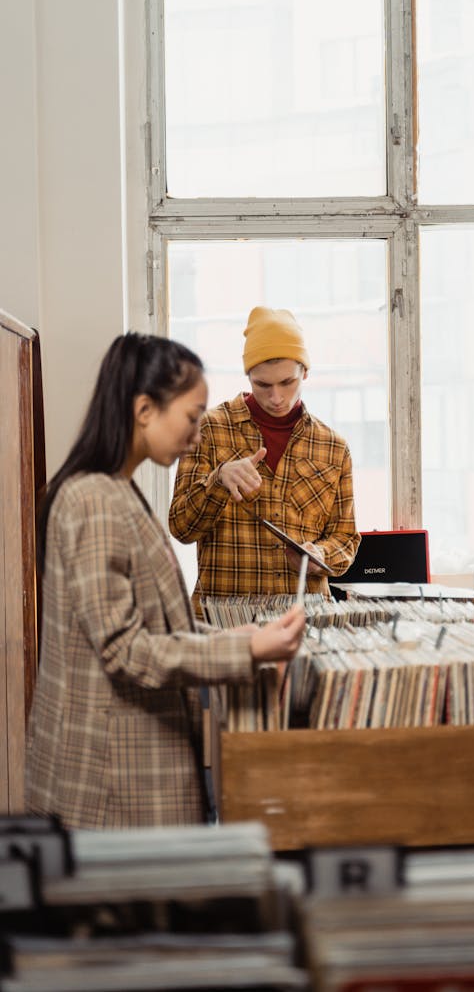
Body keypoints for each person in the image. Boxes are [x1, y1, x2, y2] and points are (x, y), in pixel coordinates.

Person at [26, 333, 306, 829]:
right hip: (111, 785)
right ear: (144, 410)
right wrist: (246, 652)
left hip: (126, 772)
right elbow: (124, 649)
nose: (198, 434)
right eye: (191, 417)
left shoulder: (115, 489)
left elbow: (151, 624)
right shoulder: (93, 498)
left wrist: (230, 637)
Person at [169, 306, 360, 607]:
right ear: (248, 376)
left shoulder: (333, 447)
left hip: (304, 624)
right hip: (223, 628)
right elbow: (181, 527)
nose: (276, 397)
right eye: (262, 384)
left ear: (305, 372)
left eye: (287, 382)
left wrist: (320, 556)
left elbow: (346, 538)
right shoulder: (209, 429)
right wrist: (218, 481)